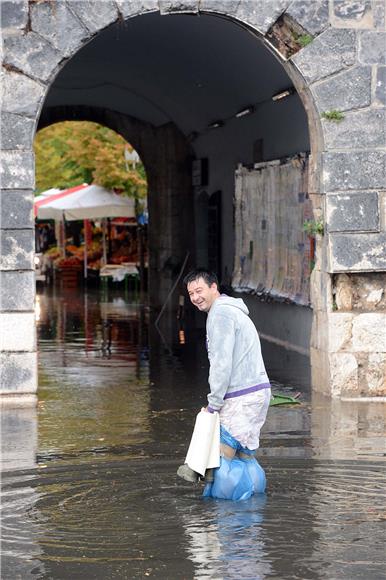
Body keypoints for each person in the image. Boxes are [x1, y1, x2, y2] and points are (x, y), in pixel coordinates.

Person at [177, 269, 271, 497]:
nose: (195, 297)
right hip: (258, 393)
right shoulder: (233, 310)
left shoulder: (220, 315)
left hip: (240, 396)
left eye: (199, 290)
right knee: (245, 455)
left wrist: (213, 405)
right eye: (190, 294)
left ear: (213, 287)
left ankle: (219, 516)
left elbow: (221, 364)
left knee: (223, 457)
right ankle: (253, 511)